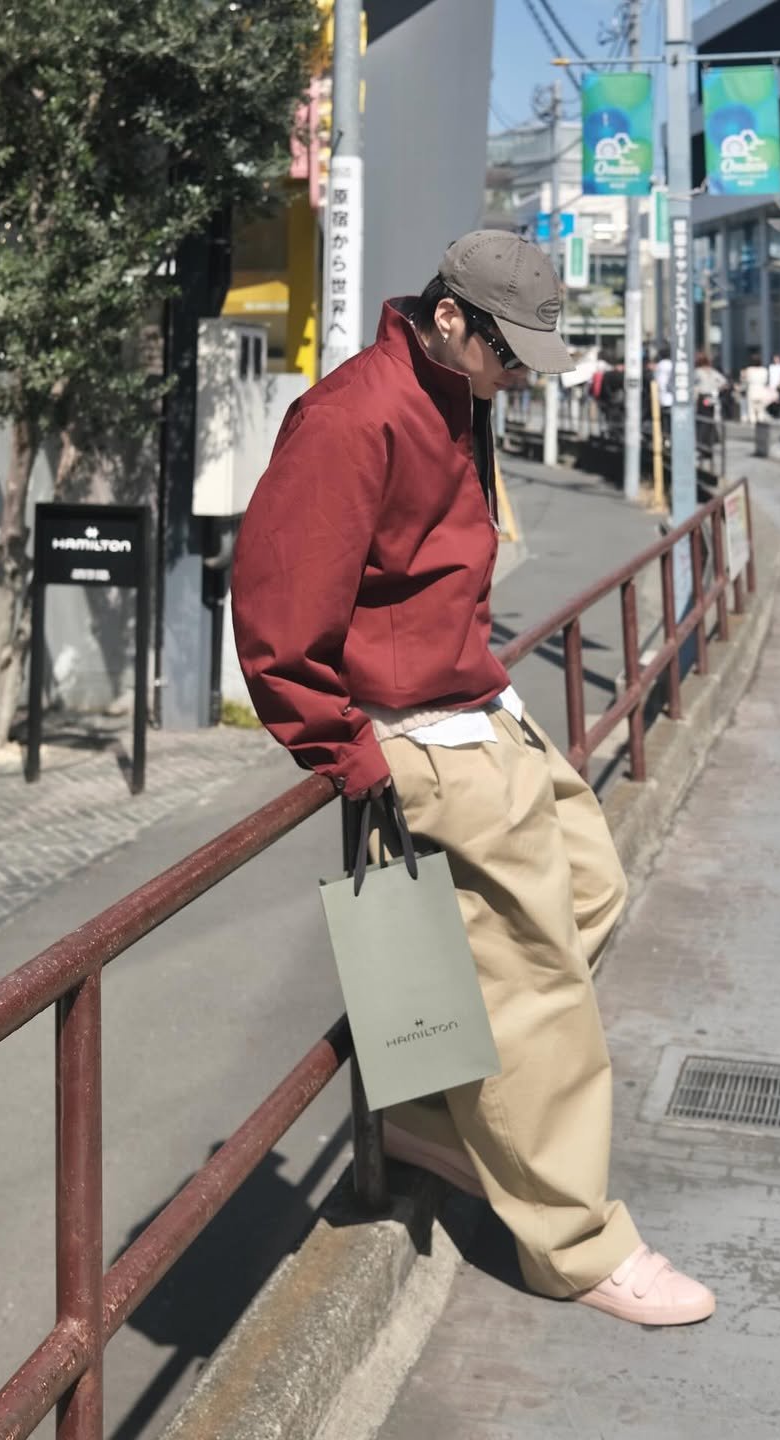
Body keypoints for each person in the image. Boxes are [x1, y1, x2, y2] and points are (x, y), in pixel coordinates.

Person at [231, 230, 716, 1328]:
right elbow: (275, 620)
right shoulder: (354, 418)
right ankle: (578, 1242)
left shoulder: (454, 391)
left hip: (476, 707)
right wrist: (351, 754)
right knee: (537, 984)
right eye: (511, 355)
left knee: (592, 888)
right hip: (416, 736)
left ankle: (436, 1119)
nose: (517, 377)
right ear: (451, 318)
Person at [741, 351, 771, 424]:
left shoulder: (749, 370)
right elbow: (766, 380)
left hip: (752, 390)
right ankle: (760, 424)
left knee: (751, 410)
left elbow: (745, 380)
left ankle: (753, 425)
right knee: (761, 410)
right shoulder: (764, 370)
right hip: (761, 391)